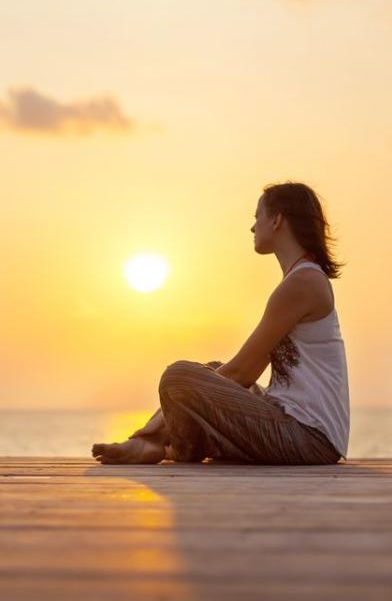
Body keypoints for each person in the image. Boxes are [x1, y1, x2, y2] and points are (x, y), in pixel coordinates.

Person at [91, 181, 349, 465]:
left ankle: (151, 443)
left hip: (308, 439)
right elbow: (243, 371)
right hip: (299, 430)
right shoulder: (301, 279)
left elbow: (242, 372)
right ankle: (172, 445)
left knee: (179, 377)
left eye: (256, 217)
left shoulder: (303, 282)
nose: (252, 228)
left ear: (276, 220)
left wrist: (162, 418)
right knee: (212, 370)